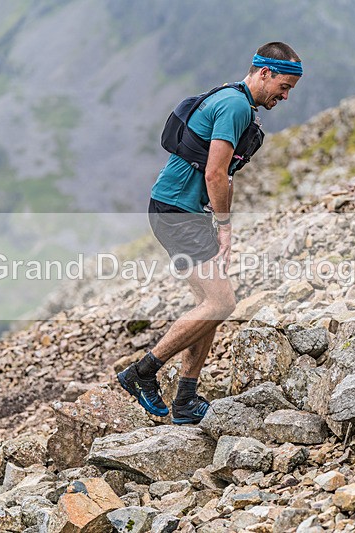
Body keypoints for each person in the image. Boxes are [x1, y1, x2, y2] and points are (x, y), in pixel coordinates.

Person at [118, 42, 302, 424]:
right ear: (263, 72)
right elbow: (214, 173)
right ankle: (142, 373)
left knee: (210, 307)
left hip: (182, 211)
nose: (284, 96)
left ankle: (185, 399)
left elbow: (226, 175)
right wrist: (225, 226)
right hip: (177, 212)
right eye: (283, 87)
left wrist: (220, 226)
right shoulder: (235, 107)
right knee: (221, 304)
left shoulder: (237, 102)